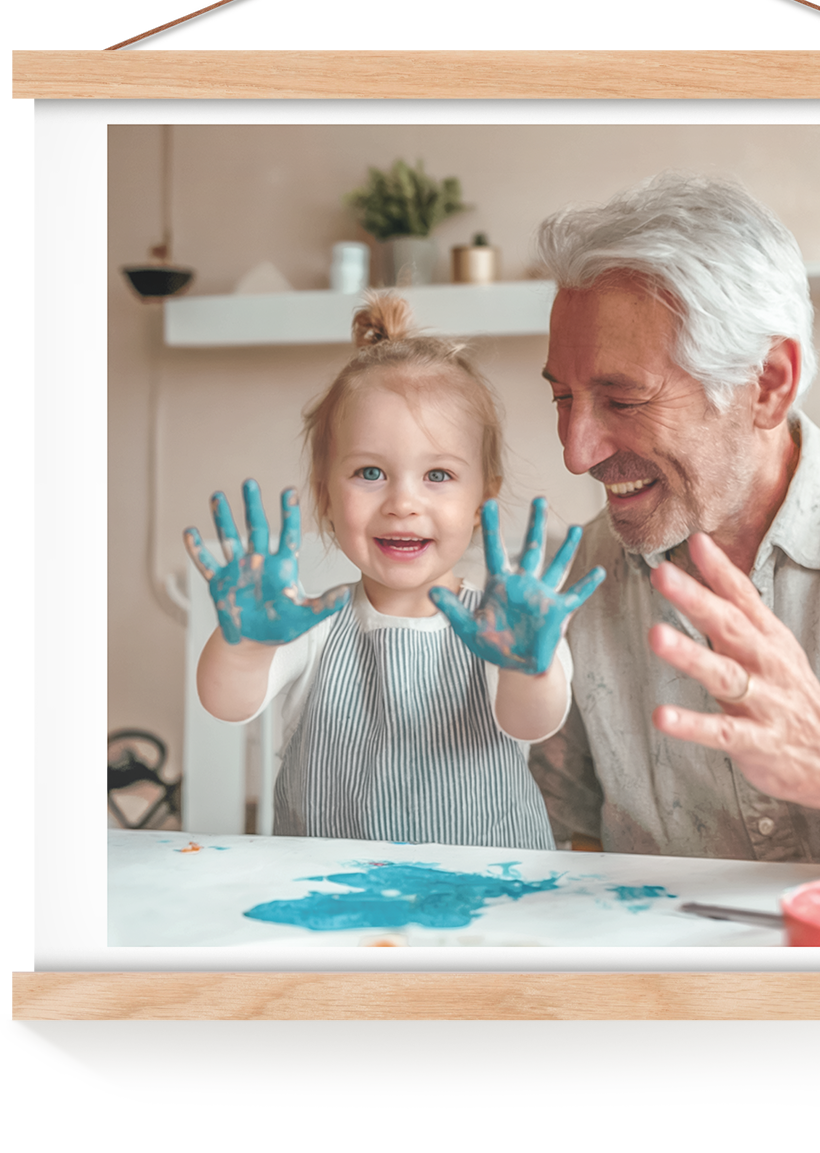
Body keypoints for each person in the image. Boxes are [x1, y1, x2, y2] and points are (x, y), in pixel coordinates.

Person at [527, 174, 820, 874]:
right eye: (564, 398)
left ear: (768, 383)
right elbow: (559, 840)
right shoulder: (580, 575)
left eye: (621, 400)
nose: (576, 452)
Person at [188, 292, 603, 848]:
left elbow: (532, 723)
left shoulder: (504, 628)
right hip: (329, 896)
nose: (403, 503)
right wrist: (245, 647)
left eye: (438, 476)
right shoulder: (309, 627)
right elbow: (225, 701)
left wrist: (531, 667)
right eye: (369, 472)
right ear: (325, 496)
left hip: (487, 899)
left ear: (485, 497)